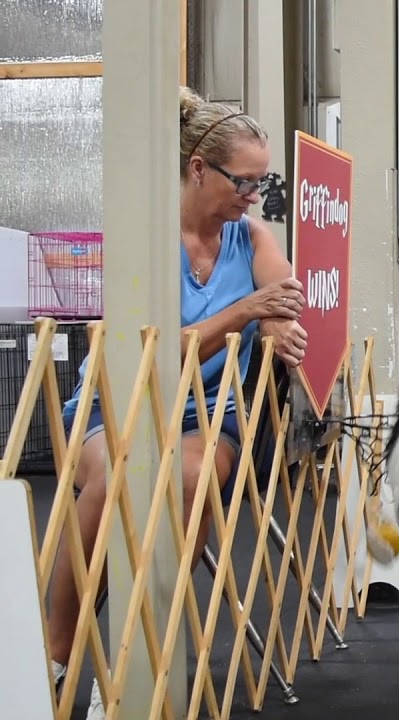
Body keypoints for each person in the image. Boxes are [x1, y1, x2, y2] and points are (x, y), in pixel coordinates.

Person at [45, 86, 309, 719]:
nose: (253, 196)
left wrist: (275, 328)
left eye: (261, 181)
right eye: (244, 182)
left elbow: (285, 302)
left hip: (208, 415)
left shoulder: (252, 237)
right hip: (119, 401)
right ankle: (58, 657)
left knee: (187, 480)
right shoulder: (142, 235)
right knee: (114, 477)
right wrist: (246, 311)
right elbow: (146, 357)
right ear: (198, 169)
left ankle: (137, 667)